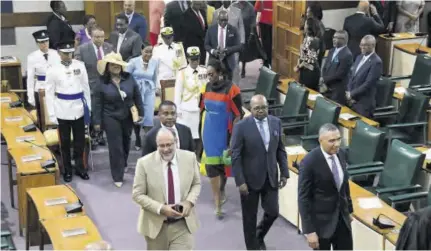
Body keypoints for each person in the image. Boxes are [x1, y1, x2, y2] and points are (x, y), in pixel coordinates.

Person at [231, 94, 289, 250]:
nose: (261, 111)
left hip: (271, 176)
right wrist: (240, 181)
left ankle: (259, 235)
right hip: (249, 180)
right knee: (249, 218)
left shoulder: (276, 123)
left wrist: (284, 172)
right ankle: (252, 247)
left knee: (273, 212)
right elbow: (235, 155)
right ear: (251, 109)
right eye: (257, 108)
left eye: (264, 107)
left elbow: (280, 150)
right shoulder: (241, 127)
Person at [132, 128, 201, 250]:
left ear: (176, 142)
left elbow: (196, 184)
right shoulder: (144, 163)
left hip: (182, 225)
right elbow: (137, 194)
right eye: (161, 146)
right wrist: (161, 209)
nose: (165, 149)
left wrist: (189, 202)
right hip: (156, 226)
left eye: (169, 145)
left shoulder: (189, 158)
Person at [298, 123, 354, 250]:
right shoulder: (309, 162)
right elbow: (303, 198)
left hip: (342, 220)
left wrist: (349, 209)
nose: (337, 144)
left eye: (339, 139)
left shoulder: (341, 154)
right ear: (320, 140)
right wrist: (309, 231)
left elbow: (344, 184)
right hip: (321, 224)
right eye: (332, 141)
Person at [199, 59, 243, 218]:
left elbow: (239, 114)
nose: (209, 77)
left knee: (223, 166)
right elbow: (202, 108)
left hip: (225, 130)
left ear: (220, 73)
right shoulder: (206, 87)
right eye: (207, 75)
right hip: (210, 130)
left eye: (211, 74)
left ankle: (222, 189)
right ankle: (217, 203)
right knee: (212, 167)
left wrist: (233, 138)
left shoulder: (233, 89)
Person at [93, 52, 144, 188]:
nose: (116, 66)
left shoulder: (129, 78)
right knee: (116, 146)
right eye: (112, 64)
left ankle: (123, 163)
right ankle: (117, 175)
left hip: (127, 115)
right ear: (108, 67)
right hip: (110, 116)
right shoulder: (102, 82)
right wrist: (97, 122)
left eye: (118, 64)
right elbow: (97, 103)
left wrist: (141, 113)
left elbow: (137, 96)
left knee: (126, 142)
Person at [45, 40, 90, 182]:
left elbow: (86, 87)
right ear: (59, 53)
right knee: (64, 143)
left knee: (79, 142)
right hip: (62, 109)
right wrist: (52, 114)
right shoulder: (53, 69)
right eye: (65, 53)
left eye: (70, 53)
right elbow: (49, 93)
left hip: (79, 108)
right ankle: (67, 170)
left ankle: (80, 168)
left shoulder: (80, 66)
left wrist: (89, 108)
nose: (68, 55)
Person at [75, 25, 113, 149]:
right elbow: (78, 70)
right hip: (90, 85)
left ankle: (100, 135)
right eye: (96, 37)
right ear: (91, 37)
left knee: (103, 111)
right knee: (93, 111)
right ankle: (93, 135)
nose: (99, 39)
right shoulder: (82, 49)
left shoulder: (109, 48)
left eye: (102, 37)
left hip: (106, 85)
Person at [174, 47, 207, 157]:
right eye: (192, 59)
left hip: (200, 108)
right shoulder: (182, 73)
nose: (195, 62)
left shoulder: (204, 71)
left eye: (196, 59)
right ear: (188, 59)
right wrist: (177, 111)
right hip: (186, 109)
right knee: (187, 135)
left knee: (200, 135)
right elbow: (178, 93)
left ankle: (198, 156)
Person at [127, 42, 159, 150]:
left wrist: (156, 88)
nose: (148, 54)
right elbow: (126, 76)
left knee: (149, 115)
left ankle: (148, 140)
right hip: (136, 90)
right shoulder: (133, 62)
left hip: (149, 90)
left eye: (150, 52)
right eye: (146, 51)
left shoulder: (154, 62)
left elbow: (155, 77)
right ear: (141, 51)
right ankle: (138, 138)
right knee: (138, 114)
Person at [26, 29, 61, 126]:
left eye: (46, 41)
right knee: (42, 117)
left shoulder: (56, 54)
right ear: (37, 43)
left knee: (57, 114)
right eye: (41, 42)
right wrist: (30, 97)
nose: (44, 44)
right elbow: (30, 78)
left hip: (55, 89)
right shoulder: (32, 57)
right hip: (40, 88)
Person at [346, 35, 382, 118]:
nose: (361, 47)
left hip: (363, 104)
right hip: (351, 100)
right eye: (361, 44)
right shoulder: (359, 57)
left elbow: (368, 84)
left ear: (373, 46)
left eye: (365, 45)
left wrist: (351, 94)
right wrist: (348, 92)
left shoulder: (376, 62)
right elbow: (351, 76)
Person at [212, 0, 245, 84]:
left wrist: (242, 42)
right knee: (220, 68)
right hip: (220, 45)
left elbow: (241, 27)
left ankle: (235, 89)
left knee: (234, 67)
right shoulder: (216, 12)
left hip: (233, 45)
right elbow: (213, 29)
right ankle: (221, 88)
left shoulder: (238, 12)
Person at [204, 10, 242, 81]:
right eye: (222, 20)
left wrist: (227, 50)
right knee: (213, 82)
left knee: (228, 84)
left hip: (228, 62)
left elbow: (239, 46)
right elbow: (206, 44)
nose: (224, 22)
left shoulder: (233, 30)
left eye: (225, 20)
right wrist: (213, 51)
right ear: (217, 19)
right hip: (214, 61)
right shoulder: (211, 29)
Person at [320, 30, 353, 105]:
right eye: (333, 37)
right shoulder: (331, 51)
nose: (333, 39)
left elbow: (340, 74)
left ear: (344, 40)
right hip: (326, 88)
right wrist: (323, 80)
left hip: (337, 91)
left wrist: (324, 79)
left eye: (337, 38)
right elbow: (325, 67)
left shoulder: (347, 55)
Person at [294, 18, 321, 91]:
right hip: (304, 70)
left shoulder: (314, 41)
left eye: (305, 24)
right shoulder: (306, 38)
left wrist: (299, 66)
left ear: (309, 26)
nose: (304, 25)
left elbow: (310, 59)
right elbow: (302, 55)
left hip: (311, 72)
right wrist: (298, 65)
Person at [181, 0, 208, 65]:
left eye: (199, 4)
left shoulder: (203, 12)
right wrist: (204, 35)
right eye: (196, 4)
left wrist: (207, 36)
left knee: (202, 64)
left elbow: (205, 26)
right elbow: (192, 29)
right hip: (192, 45)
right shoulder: (186, 14)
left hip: (202, 45)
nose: (198, 6)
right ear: (192, 2)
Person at [255, 0, 273, 68]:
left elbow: (256, 8)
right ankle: (271, 62)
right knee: (272, 44)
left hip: (264, 21)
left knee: (265, 44)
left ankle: (266, 63)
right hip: (274, 21)